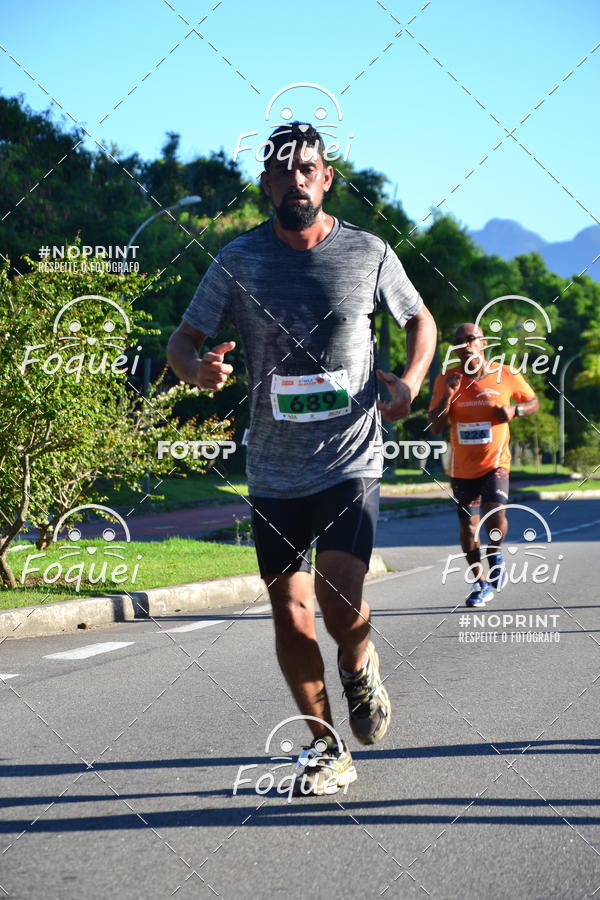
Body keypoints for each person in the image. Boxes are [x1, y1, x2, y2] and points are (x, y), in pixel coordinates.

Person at [167, 122, 436, 794]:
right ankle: (326, 748)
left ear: (326, 179)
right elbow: (184, 339)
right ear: (266, 184)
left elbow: (419, 319)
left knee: (339, 606)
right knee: (289, 612)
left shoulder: (368, 253)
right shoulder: (238, 260)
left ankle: (359, 658)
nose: (296, 181)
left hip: (351, 459)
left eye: (308, 169)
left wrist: (409, 381)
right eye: (282, 172)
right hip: (274, 469)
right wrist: (193, 370)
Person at [428, 323, 539, 607]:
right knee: (468, 530)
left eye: (469, 339)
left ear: (483, 343)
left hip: (495, 462)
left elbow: (533, 402)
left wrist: (516, 410)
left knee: (496, 515)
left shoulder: (505, 374)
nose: (464, 345)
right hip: (461, 469)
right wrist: (448, 395)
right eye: (458, 341)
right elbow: (436, 426)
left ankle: (496, 554)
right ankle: (480, 583)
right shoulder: (445, 380)